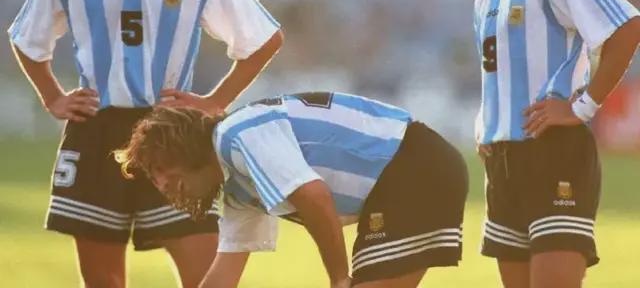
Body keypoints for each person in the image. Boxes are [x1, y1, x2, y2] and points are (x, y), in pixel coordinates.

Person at [8, 0, 283, 288]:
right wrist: (52, 97)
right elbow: (25, 37)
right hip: (96, 130)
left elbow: (264, 38)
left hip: (171, 130)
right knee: (104, 281)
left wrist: (215, 101)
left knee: (206, 278)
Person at [449, 0, 640, 288]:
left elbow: (627, 26)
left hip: (553, 154)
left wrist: (582, 106)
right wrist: (487, 124)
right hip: (502, 164)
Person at [115, 91, 469, 288]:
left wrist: (338, 278)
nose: (161, 184)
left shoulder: (236, 137)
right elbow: (225, 272)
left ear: (181, 147)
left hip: (415, 167)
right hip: (408, 172)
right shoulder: (236, 182)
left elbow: (313, 195)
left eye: (160, 169)